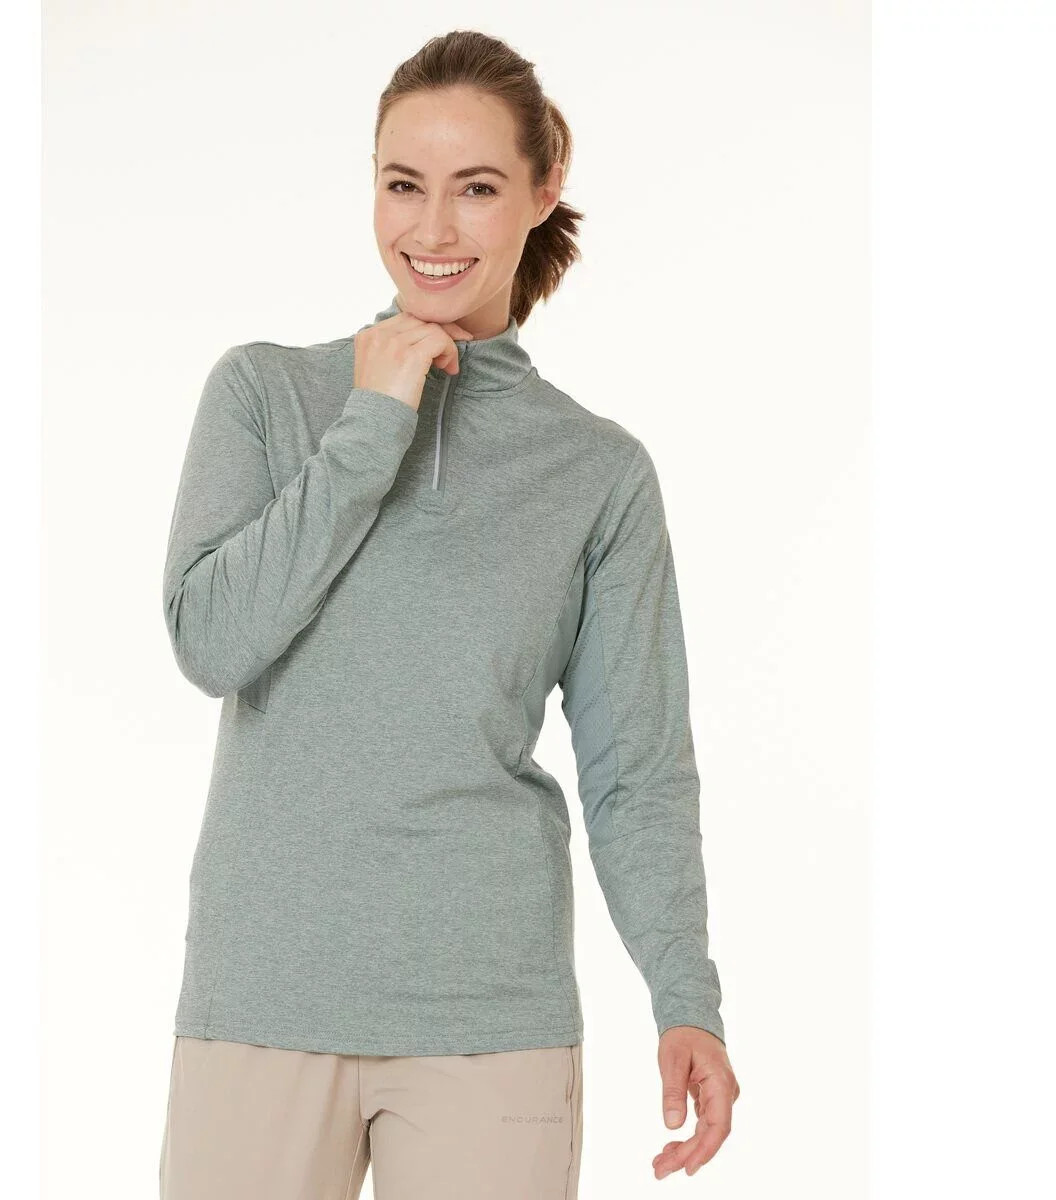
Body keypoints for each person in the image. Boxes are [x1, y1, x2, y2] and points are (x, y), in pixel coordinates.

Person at [157, 28, 739, 1200]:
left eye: (475, 188)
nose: (432, 229)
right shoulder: (266, 393)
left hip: (490, 1017)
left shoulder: (597, 473)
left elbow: (636, 769)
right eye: (402, 185)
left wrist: (686, 996)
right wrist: (369, 425)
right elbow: (211, 640)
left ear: (542, 190)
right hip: (262, 998)